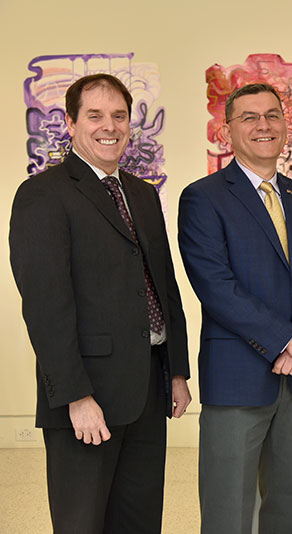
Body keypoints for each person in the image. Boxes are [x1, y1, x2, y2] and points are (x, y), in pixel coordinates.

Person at [9, 73, 191, 533]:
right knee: (83, 523)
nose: (109, 126)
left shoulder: (144, 194)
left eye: (119, 115)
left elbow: (163, 288)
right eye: (94, 115)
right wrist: (75, 395)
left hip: (148, 389)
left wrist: (176, 370)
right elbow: (46, 307)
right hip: (86, 394)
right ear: (70, 123)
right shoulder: (43, 195)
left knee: (139, 520)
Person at [178, 83, 292, 534]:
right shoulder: (203, 197)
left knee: (291, 506)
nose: (263, 125)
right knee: (227, 509)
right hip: (237, 379)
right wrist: (288, 339)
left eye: (272, 115)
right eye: (249, 116)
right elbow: (215, 285)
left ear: (285, 126)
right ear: (226, 129)